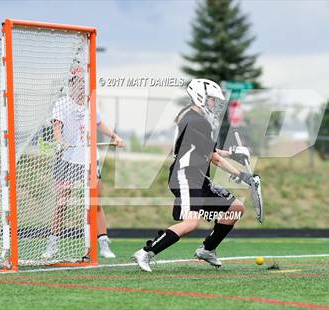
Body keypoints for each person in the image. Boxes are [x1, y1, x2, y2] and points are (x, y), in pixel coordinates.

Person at [132, 78, 254, 272]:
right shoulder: (196, 121)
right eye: (212, 100)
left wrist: (234, 153)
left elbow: (212, 151)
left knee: (235, 209)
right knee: (190, 222)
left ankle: (207, 249)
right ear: (201, 97)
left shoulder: (195, 119)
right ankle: (146, 252)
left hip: (199, 177)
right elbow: (214, 158)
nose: (215, 104)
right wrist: (242, 175)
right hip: (187, 177)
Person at [43, 68, 125, 260]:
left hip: (88, 159)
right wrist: (61, 142)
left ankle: (103, 243)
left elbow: (99, 123)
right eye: (76, 82)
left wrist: (115, 136)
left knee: (95, 201)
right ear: (70, 84)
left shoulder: (90, 103)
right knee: (62, 202)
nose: (80, 86)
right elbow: (57, 128)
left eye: (82, 82)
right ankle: (52, 244)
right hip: (67, 159)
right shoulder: (62, 103)